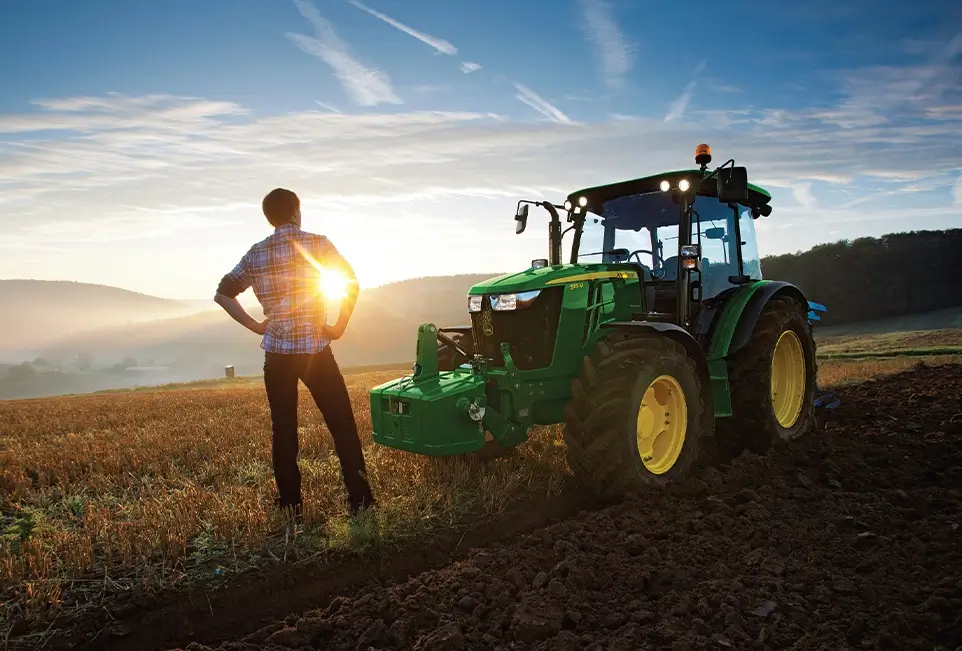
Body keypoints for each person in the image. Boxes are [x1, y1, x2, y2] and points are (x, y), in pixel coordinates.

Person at [213, 188, 375, 522]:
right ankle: (360, 500)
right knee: (342, 424)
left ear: (269, 218)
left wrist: (255, 326)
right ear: (297, 211)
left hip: (277, 355)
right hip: (316, 352)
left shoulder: (256, 253)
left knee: (283, 430)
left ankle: (290, 506)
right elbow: (351, 282)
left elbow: (223, 294)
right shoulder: (318, 244)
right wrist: (338, 326)